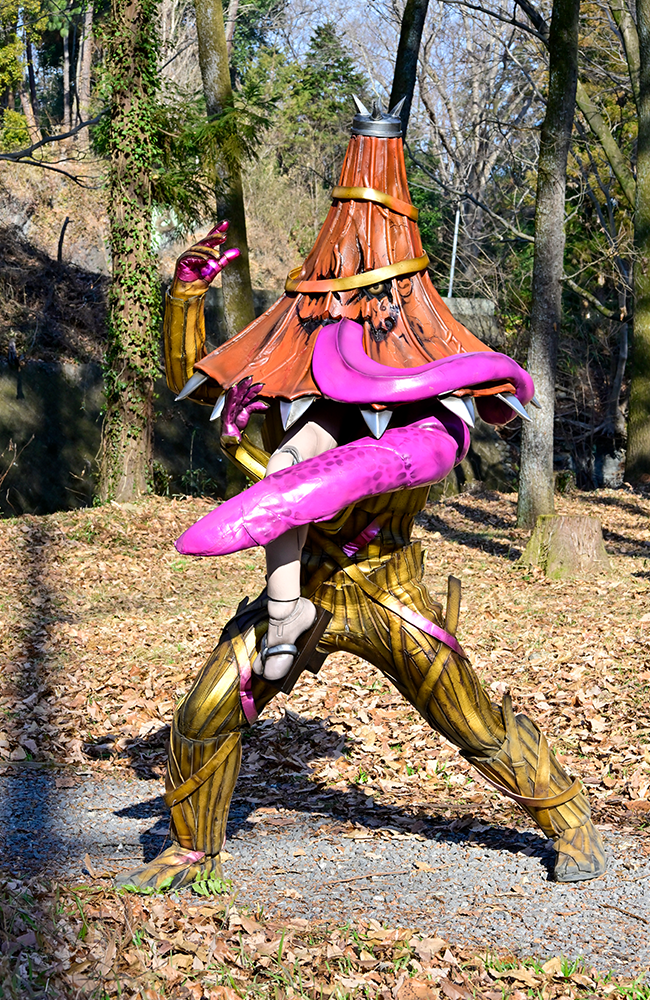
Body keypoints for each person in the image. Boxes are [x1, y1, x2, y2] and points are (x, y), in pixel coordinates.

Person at [116, 101, 606, 892]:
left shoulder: (424, 399)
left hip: (387, 588)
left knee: (469, 718)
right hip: (301, 589)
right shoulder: (287, 381)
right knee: (206, 710)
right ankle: (194, 849)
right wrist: (184, 301)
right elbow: (196, 390)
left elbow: (416, 459)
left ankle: (568, 816)